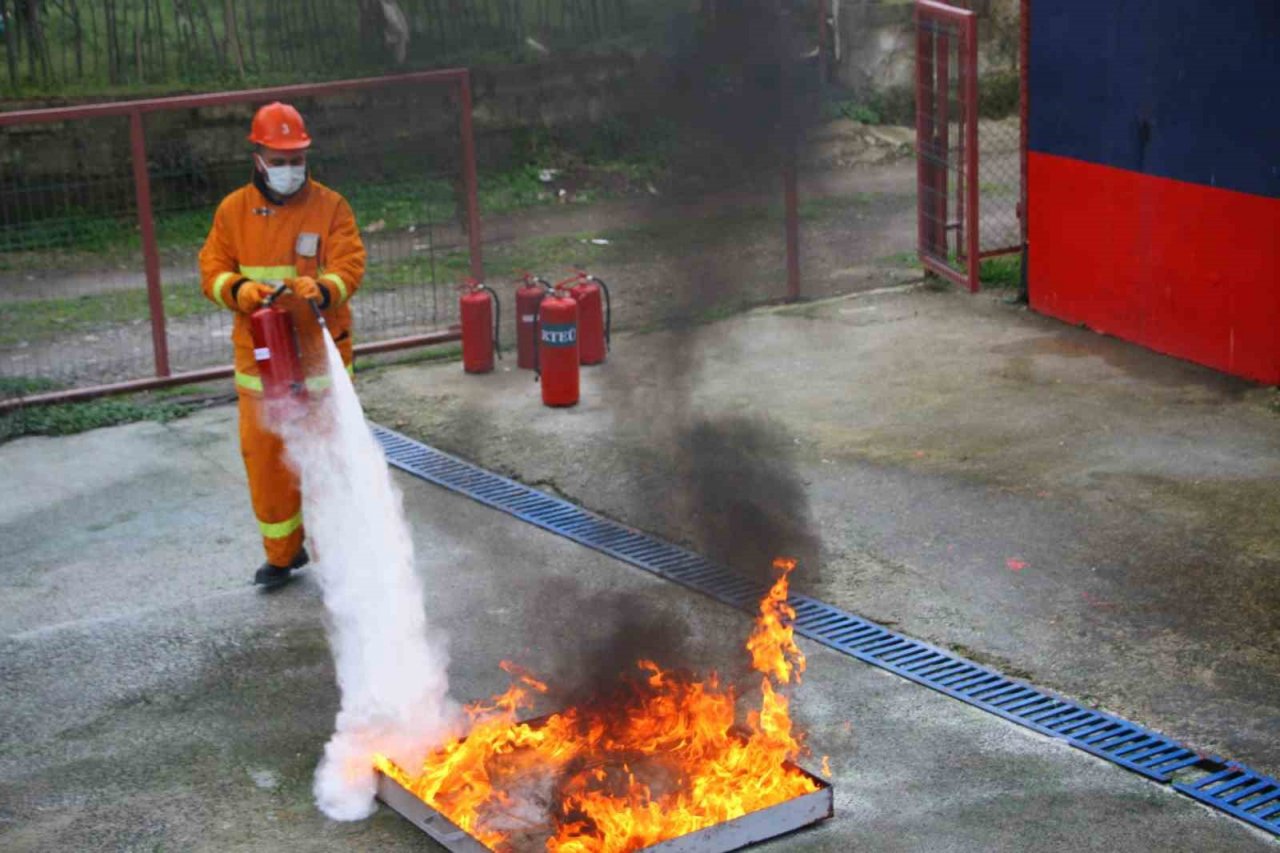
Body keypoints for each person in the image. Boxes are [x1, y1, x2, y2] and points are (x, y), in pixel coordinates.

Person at [199, 101, 366, 590]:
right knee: (268, 463)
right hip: (261, 364)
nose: (290, 168)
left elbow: (350, 264)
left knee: (329, 463)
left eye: (297, 158)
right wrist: (242, 292)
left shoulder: (331, 207)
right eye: (280, 159)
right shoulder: (233, 211)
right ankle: (282, 554)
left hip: (319, 363)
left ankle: (339, 554)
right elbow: (212, 271)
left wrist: (325, 288)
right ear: (258, 157)